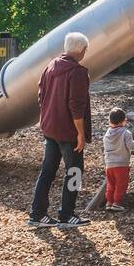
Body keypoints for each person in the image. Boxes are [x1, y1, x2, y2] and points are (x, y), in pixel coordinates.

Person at [28, 31, 93, 229]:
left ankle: (37, 214)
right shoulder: (77, 72)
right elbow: (76, 105)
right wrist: (80, 133)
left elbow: (41, 94)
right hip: (68, 131)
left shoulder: (50, 66)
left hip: (50, 128)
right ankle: (67, 214)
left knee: (47, 171)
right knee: (75, 171)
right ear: (81, 50)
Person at [101, 107, 134, 212]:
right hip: (121, 164)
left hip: (109, 165)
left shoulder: (107, 134)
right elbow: (131, 145)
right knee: (121, 184)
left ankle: (109, 202)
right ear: (124, 120)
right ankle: (117, 202)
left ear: (110, 121)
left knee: (111, 184)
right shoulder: (126, 133)